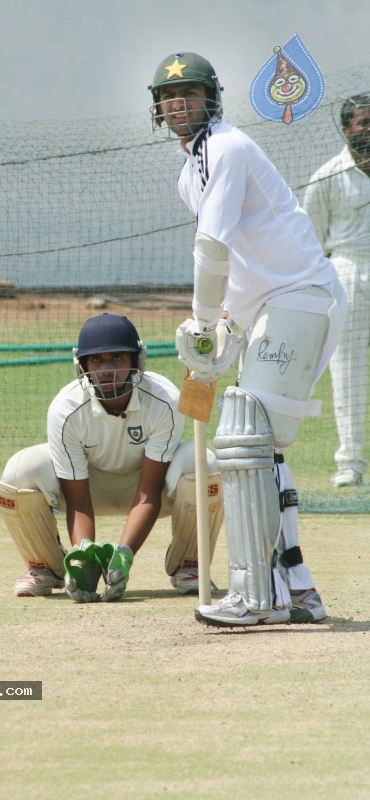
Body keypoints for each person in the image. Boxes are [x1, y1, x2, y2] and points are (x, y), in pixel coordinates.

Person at [148, 51, 347, 627]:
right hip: (272, 304)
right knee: (260, 443)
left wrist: (202, 321)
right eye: (168, 96)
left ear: (212, 97)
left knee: (247, 436)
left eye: (189, 92)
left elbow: (211, 247)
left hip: (302, 296)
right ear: (157, 108)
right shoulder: (191, 169)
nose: (178, 103)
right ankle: (298, 591)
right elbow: (238, 264)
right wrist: (225, 332)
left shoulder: (227, 147)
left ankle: (258, 597)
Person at [0, 313, 224, 603]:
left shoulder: (164, 399)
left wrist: (124, 555)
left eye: (117, 357)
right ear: (82, 364)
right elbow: (78, 501)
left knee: (205, 462)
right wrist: (84, 557)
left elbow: (148, 494)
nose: (107, 369)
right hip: (89, 488)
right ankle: (46, 567)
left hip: (151, 488)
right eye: (97, 360)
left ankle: (190, 565)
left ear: (137, 360)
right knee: (18, 471)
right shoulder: (65, 409)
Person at [303, 93, 370, 488]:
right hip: (348, 269)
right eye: (363, 122)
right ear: (346, 129)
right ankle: (350, 462)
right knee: (346, 370)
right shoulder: (326, 176)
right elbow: (311, 241)